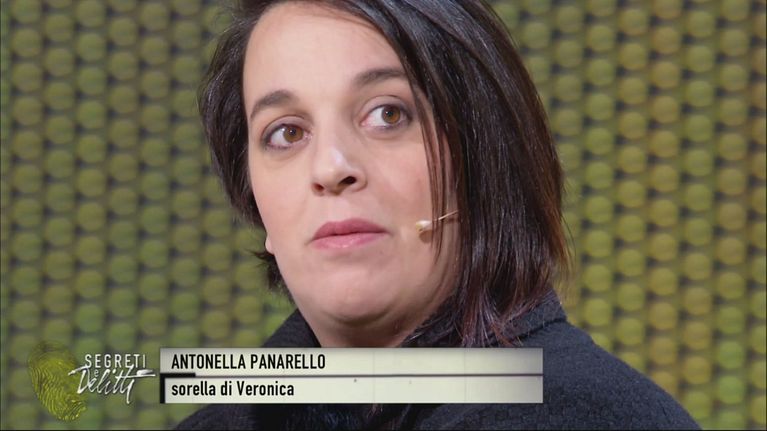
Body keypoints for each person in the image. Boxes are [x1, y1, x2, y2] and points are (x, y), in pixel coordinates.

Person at [178, 0, 699, 429]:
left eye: (388, 114)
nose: (331, 168)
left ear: (481, 159)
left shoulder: (574, 413)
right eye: (287, 132)